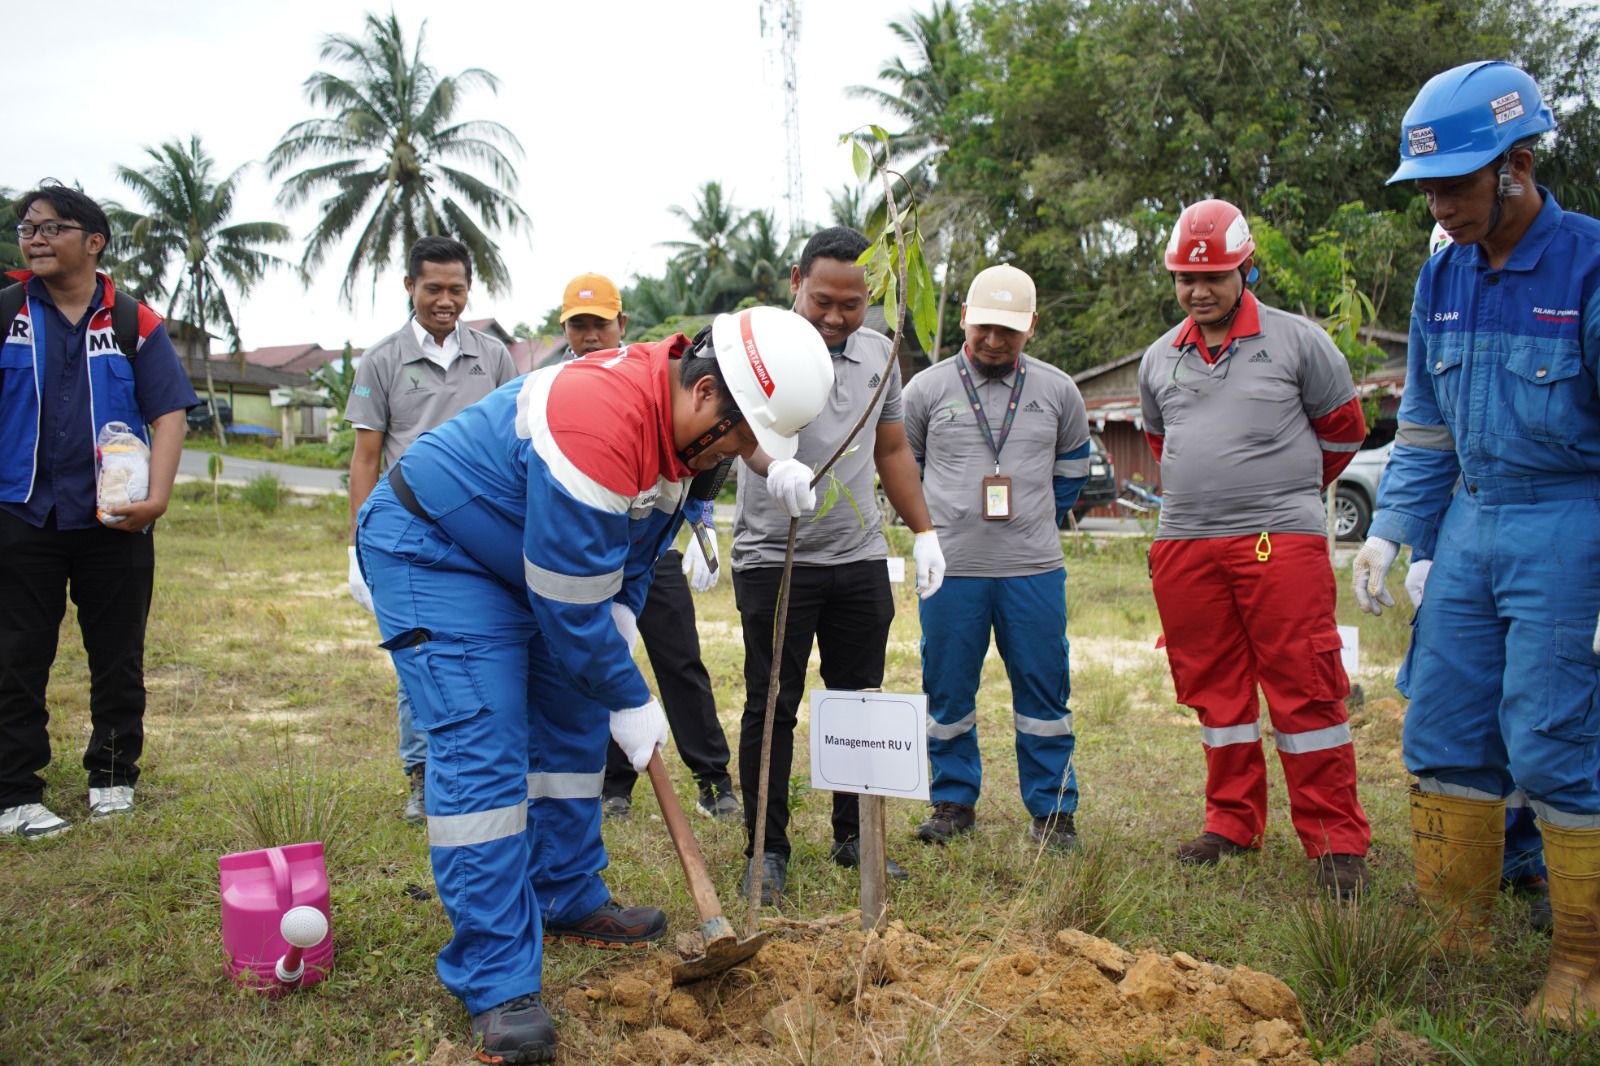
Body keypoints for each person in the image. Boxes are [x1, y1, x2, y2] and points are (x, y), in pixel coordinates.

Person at [355, 305, 832, 1062]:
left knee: (573, 718)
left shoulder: (685, 432)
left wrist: (617, 635)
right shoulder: (596, 422)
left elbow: (627, 561)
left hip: (531, 561)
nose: (743, 453)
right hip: (438, 550)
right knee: (485, 741)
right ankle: (497, 978)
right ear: (707, 392)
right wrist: (631, 690)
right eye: (743, 436)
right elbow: (571, 601)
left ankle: (565, 892)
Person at [1353, 61, 1600, 1022]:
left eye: (1456, 185)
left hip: (1570, 522)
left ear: (1519, 166)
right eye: (1429, 189)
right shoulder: (1443, 274)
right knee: (1443, 729)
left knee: (1551, 741)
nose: (1440, 206)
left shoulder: (1586, 263)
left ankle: (1580, 966)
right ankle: (1453, 943)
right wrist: (1394, 530)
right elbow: (1424, 425)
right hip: (1472, 520)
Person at [1137, 198, 1372, 896]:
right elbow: (1161, 444)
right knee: (1215, 692)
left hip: (1280, 543)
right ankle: (1231, 824)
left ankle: (1336, 845)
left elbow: (1344, 431)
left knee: (1306, 686)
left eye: (1214, 277)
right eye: (1185, 278)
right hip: (1186, 545)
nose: (1199, 291)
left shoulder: (1298, 342)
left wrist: (1280, 494)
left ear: (1247, 269)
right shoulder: (1158, 359)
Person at [732, 226, 946, 902]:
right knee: (772, 706)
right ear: (797, 284)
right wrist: (775, 470)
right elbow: (737, 433)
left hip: (856, 559)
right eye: (822, 299)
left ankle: (857, 836)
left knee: (861, 705)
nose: (834, 316)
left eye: (850, 304)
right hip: (775, 557)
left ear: (869, 299)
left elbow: (891, 453)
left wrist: (924, 532)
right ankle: (766, 851)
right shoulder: (758, 345)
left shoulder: (882, 357)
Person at [0, 184, 198, 837]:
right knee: (17, 654)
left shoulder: (131, 322)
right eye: (28, 226)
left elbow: (168, 412)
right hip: (20, 515)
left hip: (115, 519)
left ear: (93, 241)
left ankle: (112, 777)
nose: (34, 238)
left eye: (51, 227)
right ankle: (15, 793)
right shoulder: (6, 313)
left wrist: (158, 499)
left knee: (118, 653)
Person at [902, 264, 1091, 852]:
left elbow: (1072, 474)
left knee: (1044, 692)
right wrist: (939, 529)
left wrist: (1030, 522)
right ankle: (953, 801)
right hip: (949, 572)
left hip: (1032, 570)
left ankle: (1053, 812)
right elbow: (902, 469)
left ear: (1031, 326)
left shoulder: (1059, 391)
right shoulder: (926, 390)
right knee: (948, 688)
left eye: (1008, 330)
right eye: (983, 326)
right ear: (964, 318)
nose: (992, 340)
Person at [344, 236, 519, 824]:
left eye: (457, 289)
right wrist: (357, 548)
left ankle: (484, 767)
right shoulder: (383, 360)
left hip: (482, 532)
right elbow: (366, 457)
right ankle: (421, 777)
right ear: (409, 288)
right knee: (417, 653)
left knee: (489, 647)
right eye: (433, 289)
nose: (446, 301)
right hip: (409, 533)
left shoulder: (493, 357)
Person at [554, 273, 739, 821]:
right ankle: (613, 783)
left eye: (600, 324)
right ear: (564, 328)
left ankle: (713, 779)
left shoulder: (660, 382)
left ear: (621, 324)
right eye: (578, 325)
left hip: (652, 550)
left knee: (680, 659)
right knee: (602, 660)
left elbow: (712, 444)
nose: (590, 336)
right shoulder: (555, 384)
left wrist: (702, 522)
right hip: (586, 553)